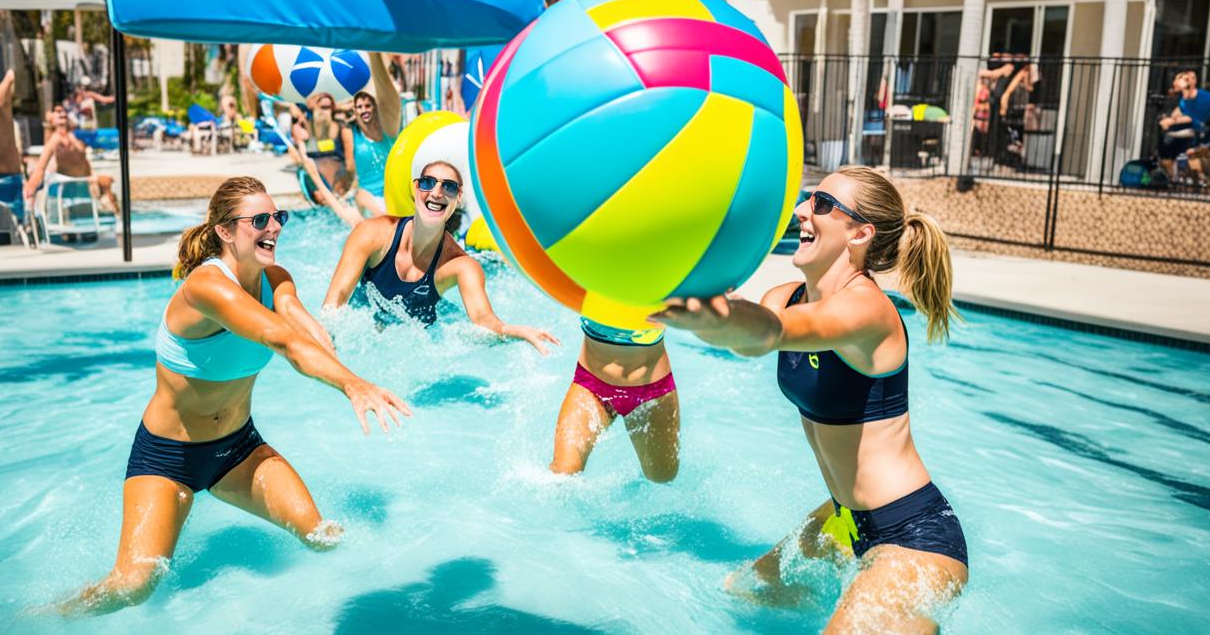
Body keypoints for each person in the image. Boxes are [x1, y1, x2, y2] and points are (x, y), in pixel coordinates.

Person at [59, 177, 411, 617]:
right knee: (133, 586)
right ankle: (51, 617)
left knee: (324, 537)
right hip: (168, 459)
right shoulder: (207, 288)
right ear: (225, 231)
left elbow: (301, 326)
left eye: (278, 217)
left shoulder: (275, 277)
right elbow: (282, 340)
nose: (274, 228)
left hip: (239, 450)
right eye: (259, 220)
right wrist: (352, 385)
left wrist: (336, 344)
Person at [651, 166, 968, 633]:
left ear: (860, 233)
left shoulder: (868, 311)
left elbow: (774, 333)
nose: (802, 210)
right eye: (807, 199)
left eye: (821, 204)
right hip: (843, 522)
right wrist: (710, 312)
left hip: (914, 538)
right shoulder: (787, 294)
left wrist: (720, 320)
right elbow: (751, 336)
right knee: (746, 591)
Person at [323, 160, 557, 353]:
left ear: (457, 198)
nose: (436, 192)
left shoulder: (460, 265)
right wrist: (329, 341)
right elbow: (336, 299)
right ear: (415, 190)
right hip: (362, 325)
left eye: (449, 187)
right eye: (427, 183)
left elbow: (483, 320)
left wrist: (514, 332)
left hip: (414, 337)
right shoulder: (373, 233)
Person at [549, 319, 679, 483]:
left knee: (661, 479)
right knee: (562, 475)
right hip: (591, 385)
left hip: (650, 391)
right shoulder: (588, 292)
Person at [22, 104, 119, 214]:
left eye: (63, 111)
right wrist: (32, 185)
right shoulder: (54, 140)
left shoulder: (76, 135)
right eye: (58, 112)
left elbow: (85, 160)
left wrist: (94, 177)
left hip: (83, 185)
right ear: (51, 118)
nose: (62, 114)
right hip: (67, 188)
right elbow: (41, 166)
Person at [343, 52, 402, 217]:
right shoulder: (351, 133)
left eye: (368, 105)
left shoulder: (388, 130)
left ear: (375, 107)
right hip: (367, 193)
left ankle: (374, 53)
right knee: (363, 200)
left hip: (390, 190)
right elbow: (349, 166)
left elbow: (391, 102)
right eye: (359, 107)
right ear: (354, 111)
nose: (364, 110)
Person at [290, 93, 362, 226]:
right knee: (319, 194)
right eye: (321, 107)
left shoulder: (342, 128)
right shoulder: (305, 128)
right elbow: (302, 159)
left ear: (333, 109)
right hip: (315, 177)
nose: (324, 111)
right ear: (313, 108)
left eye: (327, 108)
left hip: (339, 177)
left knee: (336, 193)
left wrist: (347, 183)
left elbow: (350, 163)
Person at [1172, 72, 1210, 185]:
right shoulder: (1183, 102)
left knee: (1197, 153)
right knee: (1186, 154)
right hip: (1196, 136)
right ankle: (1197, 182)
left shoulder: (1206, 98)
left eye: (1191, 78)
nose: (1189, 81)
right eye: (1186, 79)